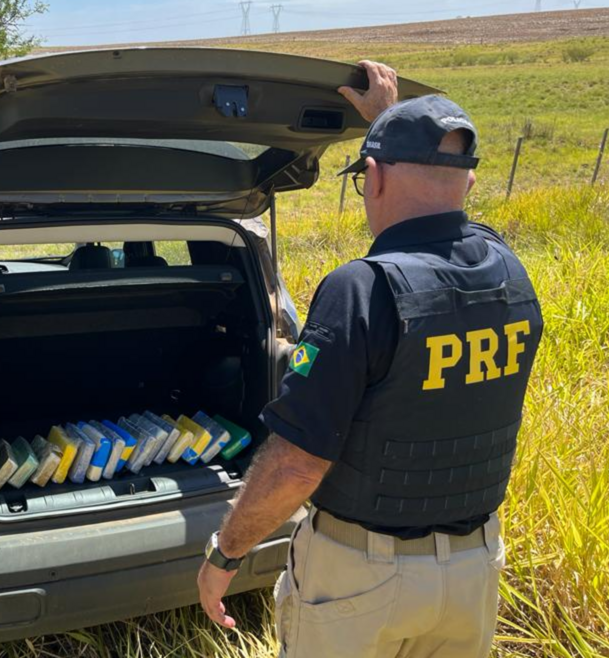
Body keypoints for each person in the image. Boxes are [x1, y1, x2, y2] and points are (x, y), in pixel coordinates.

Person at [196, 60, 544, 658]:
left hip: (361, 578)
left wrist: (225, 554)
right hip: (476, 568)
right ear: (469, 183)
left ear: (374, 178)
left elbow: (296, 467)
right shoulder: (507, 269)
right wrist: (392, 122)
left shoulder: (361, 289)